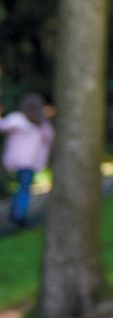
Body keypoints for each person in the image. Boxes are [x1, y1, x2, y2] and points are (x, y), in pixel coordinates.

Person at [1, 93, 53, 229]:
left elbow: (3, 126)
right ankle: (19, 215)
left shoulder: (18, 120)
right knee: (24, 189)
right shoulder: (41, 125)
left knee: (20, 188)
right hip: (29, 163)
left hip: (15, 162)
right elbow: (47, 142)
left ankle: (17, 214)